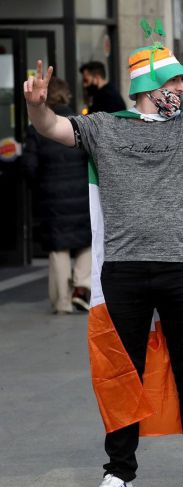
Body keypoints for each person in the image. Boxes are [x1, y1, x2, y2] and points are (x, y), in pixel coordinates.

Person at [23, 37, 183, 487]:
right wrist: (37, 108)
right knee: (124, 372)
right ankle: (119, 473)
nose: (182, 88)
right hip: (123, 271)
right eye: (176, 80)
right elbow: (53, 127)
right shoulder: (104, 128)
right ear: (151, 86)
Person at [20, 77, 92, 314]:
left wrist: (38, 185)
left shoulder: (36, 129)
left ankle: (62, 302)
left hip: (51, 198)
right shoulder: (81, 123)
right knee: (85, 242)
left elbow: (29, 166)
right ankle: (82, 287)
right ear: (68, 96)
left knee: (58, 248)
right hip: (81, 194)